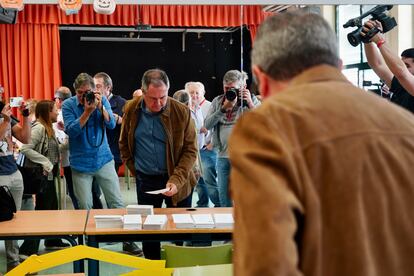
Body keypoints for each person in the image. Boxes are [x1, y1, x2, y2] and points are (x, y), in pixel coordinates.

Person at [228, 11, 414, 276]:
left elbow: (267, 264)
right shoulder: (406, 126)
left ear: (262, 79)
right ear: (338, 66)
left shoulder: (267, 128)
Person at [120, 69, 198, 260]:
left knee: (180, 230)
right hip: (146, 180)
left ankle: (179, 267)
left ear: (168, 90)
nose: (158, 103)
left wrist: (176, 180)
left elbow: (190, 151)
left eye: (163, 97)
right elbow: (124, 144)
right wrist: (137, 170)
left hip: (178, 180)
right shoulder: (131, 109)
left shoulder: (181, 112)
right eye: (152, 99)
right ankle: (152, 267)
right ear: (143, 92)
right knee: (149, 231)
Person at [62, 73, 141, 255]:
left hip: (103, 159)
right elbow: (72, 131)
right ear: (75, 91)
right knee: (84, 205)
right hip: (80, 164)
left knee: (117, 202)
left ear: (94, 90)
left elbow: (112, 124)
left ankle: (127, 241)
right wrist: (87, 112)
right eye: (80, 93)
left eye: (87, 92)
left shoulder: (101, 99)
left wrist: (100, 108)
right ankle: (87, 243)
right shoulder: (68, 105)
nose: (84, 96)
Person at [19, 100, 70, 256]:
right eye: (55, 110)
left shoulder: (49, 128)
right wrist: (45, 161)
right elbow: (25, 148)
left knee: (51, 208)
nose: (57, 113)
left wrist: (67, 141)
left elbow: (54, 149)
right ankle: (27, 249)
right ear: (48, 112)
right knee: (43, 212)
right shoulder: (40, 128)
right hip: (42, 174)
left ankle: (52, 239)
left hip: (49, 174)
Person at [205, 70, 260, 207]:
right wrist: (223, 109)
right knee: (224, 198)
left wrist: (250, 104)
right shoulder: (218, 101)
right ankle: (226, 228)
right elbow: (207, 125)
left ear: (243, 88)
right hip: (223, 156)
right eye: (226, 88)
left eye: (233, 88)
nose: (229, 91)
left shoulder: (251, 100)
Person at [0, 85, 31, 272]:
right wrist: (5, 119)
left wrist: (25, 115)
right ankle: (12, 261)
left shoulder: (7, 117)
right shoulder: (5, 118)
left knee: (14, 221)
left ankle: (14, 262)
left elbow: (25, 138)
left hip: (13, 173)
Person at [363, 19, 414, 112]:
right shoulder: (400, 85)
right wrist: (367, 39)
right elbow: (377, 64)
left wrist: (379, 39)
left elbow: (402, 73)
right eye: (402, 64)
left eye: (407, 66)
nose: (403, 68)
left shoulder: (404, 78)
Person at [185, 81, 220, 207]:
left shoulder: (210, 106)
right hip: (193, 150)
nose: (194, 95)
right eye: (191, 92)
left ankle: (219, 205)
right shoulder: (185, 107)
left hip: (207, 149)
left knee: (209, 180)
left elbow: (218, 127)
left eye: (197, 92)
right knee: (198, 181)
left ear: (203, 93)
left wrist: (212, 144)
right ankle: (202, 204)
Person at [93, 72, 126, 174]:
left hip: (112, 152)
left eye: (98, 86)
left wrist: (120, 120)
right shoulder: (90, 102)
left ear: (108, 87)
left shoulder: (122, 103)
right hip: (94, 152)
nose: (95, 90)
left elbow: (130, 127)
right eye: (93, 86)